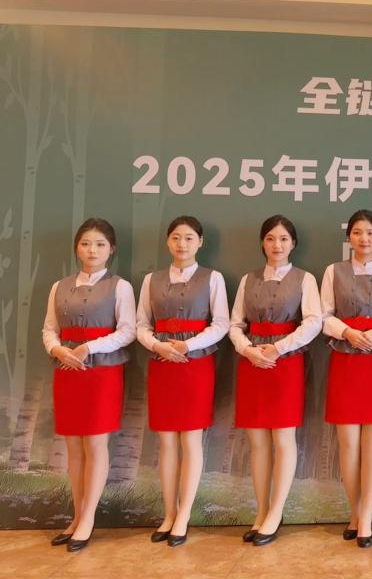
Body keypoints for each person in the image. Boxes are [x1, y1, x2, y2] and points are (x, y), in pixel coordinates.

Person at [42, 218, 136, 552]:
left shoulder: (120, 287)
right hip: (67, 369)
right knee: (73, 446)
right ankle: (76, 516)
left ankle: (88, 519)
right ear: (76, 248)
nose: (92, 250)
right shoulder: (59, 286)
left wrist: (90, 347)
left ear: (112, 249)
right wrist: (57, 350)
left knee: (95, 443)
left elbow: (127, 331)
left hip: (102, 372)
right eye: (85, 244)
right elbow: (49, 329)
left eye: (99, 244)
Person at [229, 215, 322, 546]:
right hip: (253, 362)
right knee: (257, 441)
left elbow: (313, 322)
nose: (277, 245)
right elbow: (235, 324)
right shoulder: (248, 279)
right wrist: (247, 350)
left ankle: (276, 511)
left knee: (283, 438)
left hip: (286, 363)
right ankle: (261, 511)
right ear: (262, 243)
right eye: (270, 238)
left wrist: (279, 348)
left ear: (293, 243)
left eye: (283, 239)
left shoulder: (305, 279)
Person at [136, 216, 229, 546]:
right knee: (166, 442)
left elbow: (221, 324)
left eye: (189, 238)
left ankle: (184, 514)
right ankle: (168, 513)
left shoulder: (213, 278)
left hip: (195, 364)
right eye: (176, 237)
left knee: (190, 441)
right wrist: (158, 346)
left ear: (200, 242)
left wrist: (188, 345)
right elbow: (141, 324)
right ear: (167, 241)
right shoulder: (152, 280)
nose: (182, 244)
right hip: (162, 363)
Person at [321, 210, 372, 549]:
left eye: (370, 233)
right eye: (357, 232)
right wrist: (347, 332)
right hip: (344, 359)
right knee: (348, 443)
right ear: (349, 237)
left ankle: (366, 516)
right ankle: (354, 512)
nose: (364, 238)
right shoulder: (333, 271)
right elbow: (324, 315)